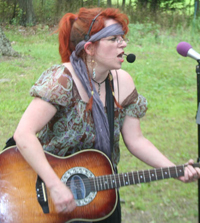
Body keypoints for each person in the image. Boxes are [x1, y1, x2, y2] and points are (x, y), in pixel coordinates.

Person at [13, 7, 200, 223]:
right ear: (90, 48)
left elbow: (136, 140)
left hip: (102, 189)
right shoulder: (62, 80)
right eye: (114, 39)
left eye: (123, 37)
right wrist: (54, 185)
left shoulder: (122, 82)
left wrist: (174, 170)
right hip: (48, 187)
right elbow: (23, 134)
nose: (124, 44)